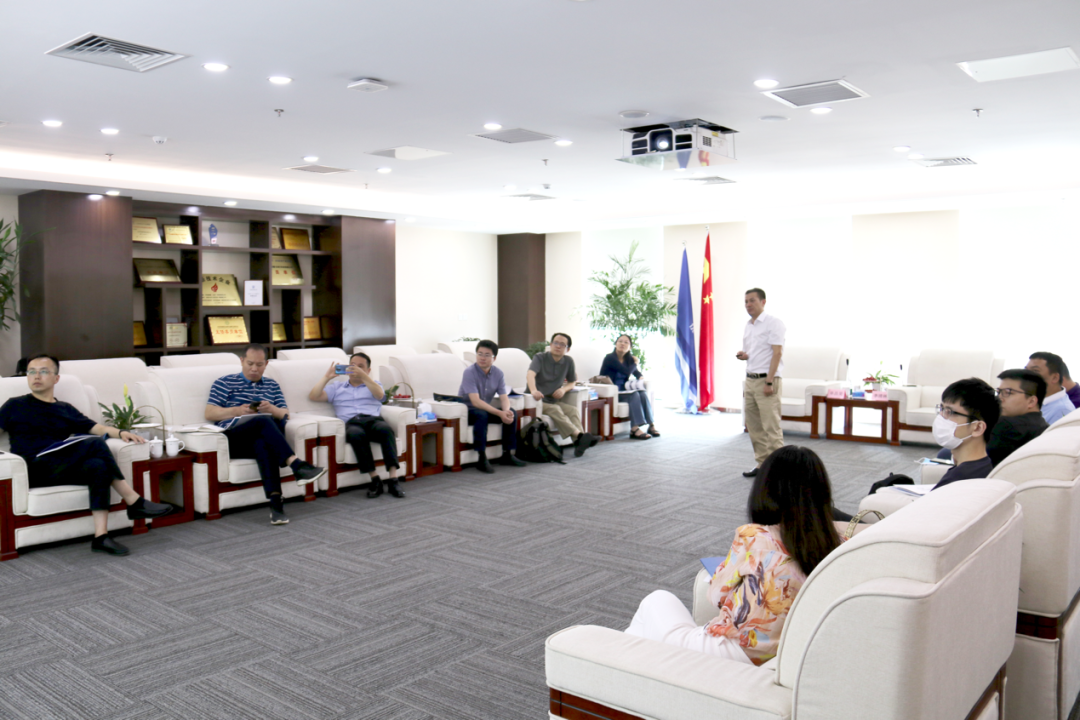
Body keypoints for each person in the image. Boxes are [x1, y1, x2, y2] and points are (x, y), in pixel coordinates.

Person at [625, 446, 841, 665]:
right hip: (780, 654)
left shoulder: (755, 537)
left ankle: (621, 667)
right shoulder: (835, 545)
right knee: (646, 637)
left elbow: (716, 596)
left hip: (729, 649)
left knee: (656, 600)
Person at [0, 353, 173, 556]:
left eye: (43, 371)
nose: (36, 376)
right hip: (32, 468)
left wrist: (121, 433)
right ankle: (134, 501)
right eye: (31, 372)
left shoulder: (65, 409)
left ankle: (101, 536)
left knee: (98, 466)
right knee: (95, 444)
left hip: (59, 468)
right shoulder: (14, 405)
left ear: (56, 378)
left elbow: (96, 428)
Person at [205, 343, 326, 525]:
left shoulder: (272, 385)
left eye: (259, 364)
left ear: (266, 364)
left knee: (263, 443)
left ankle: (276, 506)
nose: (254, 368)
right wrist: (237, 410)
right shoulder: (224, 382)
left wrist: (272, 409)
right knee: (262, 421)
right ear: (242, 361)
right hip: (234, 439)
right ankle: (296, 464)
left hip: (260, 437)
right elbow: (209, 413)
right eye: (250, 363)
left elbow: (285, 414)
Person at [308, 352, 404, 499]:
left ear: (368, 370)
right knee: (355, 434)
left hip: (373, 420)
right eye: (352, 365)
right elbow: (314, 396)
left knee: (386, 430)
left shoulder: (374, 384)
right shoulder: (337, 387)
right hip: (351, 423)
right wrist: (327, 377)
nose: (355, 369)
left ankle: (393, 479)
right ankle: (375, 479)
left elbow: (380, 396)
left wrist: (364, 377)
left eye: (360, 366)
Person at [736, 288, 785, 477]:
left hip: (767, 380)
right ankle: (762, 464)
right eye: (746, 301)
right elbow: (754, 352)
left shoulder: (774, 323)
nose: (748, 305)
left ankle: (778, 470)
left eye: (752, 301)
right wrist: (745, 355)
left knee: (771, 426)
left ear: (763, 302)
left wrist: (769, 382)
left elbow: (777, 353)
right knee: (754, 426)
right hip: (750, 379)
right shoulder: (749, 325)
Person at [458, 340, 527, 473]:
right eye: (480, 354)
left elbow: (504, 397)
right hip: (468, 411)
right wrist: (499, 413)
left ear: (494, 358)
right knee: (481, 414)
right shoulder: (469, 372)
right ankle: (481, 458)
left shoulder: (498, 373)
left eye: (487, 355)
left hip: (485, 409)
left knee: (512, 412)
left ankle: (507, 454)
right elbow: (476, 402)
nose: (482, 358)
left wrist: (506, 412)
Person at [527, 332, 596, 457]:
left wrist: (564, 390)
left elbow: (572, 382)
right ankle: (580, 436)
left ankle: (579, 443)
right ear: (551, 344)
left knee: (572, 410)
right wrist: (533, 390)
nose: (558, 346)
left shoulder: (568, 361)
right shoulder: (540, 357)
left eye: (562, 344)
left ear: (567, 349)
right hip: (536, 401)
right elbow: (530, 374)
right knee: (555, 409)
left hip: (552, 400)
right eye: (555, 343)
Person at [931, 378, 998, 488]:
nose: (941, 417)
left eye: (950, 411)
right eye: (942, 408)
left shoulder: (957, 480)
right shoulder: (983, 466)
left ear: (977, 428)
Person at [599, 334, 658, 440]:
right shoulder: (610, 358)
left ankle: (651, 425)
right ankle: (634, 429)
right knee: (634, 395)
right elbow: (626, 371)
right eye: (620, 341)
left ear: (630, 347)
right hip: (612, 392)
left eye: (626, 342)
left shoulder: (629, 360)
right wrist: (635, 363)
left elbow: (636, 373)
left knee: (642, 393)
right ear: (615, 344)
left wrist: (640, 377)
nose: (623, 344)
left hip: (623, 391)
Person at [988, 369, 1048, 466]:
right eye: (999, 392)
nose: (1000, 398)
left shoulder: (1005, 425)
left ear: (1031, 401)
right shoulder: (1045, 429)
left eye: (1008, 392)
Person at [1027, 352, 1075, 424]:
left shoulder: (1062, 410)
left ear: (1055, 378)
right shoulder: (1034, 400)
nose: (1025, 375)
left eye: (1035, 371)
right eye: (1026, 370)